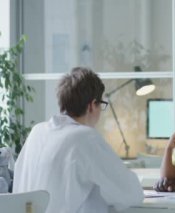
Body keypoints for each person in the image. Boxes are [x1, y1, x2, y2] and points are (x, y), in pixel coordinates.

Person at [13, 67, 144, 213]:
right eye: (101, 105)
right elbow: (131, 193)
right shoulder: (85, 137)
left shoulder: (37, 131)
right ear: (91, 106)